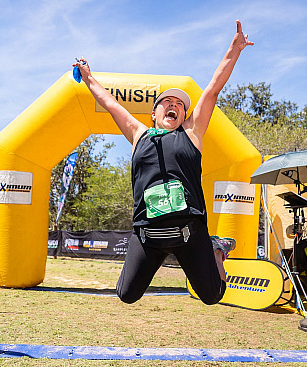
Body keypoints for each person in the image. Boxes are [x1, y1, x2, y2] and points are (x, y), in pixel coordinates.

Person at [73, 20, 253, 304]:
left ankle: (216, 249)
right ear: (154, 114)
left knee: (212, 296)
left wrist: (235, 49)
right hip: (148, 234)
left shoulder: (192, 133)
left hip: (189, 232)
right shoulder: (138, 134)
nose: (174, 105)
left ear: (183, 115)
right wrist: (88, 77)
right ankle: (204, 250)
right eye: (167, 102)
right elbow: (110, 103)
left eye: (180, 105)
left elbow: (212, 89)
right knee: (126, 295)